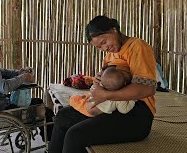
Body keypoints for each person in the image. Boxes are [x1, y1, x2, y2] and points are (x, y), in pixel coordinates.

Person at [49, 15, 157, 153]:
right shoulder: (110, 56)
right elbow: (106, 82)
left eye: (104, 42)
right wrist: (97, 82)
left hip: (136, 115)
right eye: (99, 47)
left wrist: (106, 95)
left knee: (75, 135)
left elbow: (147, 89)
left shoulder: (137, 47)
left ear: (114, 30)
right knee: (63, 117)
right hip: (112, 108)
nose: (104, 48)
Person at [0, 34, 54, 141]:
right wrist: (23, 77)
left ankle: (49, 138)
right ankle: (51, 143)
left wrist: (18, 72)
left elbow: (4, 72)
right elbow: (4, 86)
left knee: (38, 102)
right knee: (46, 111)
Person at [70, 66, 135, 117]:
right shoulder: (120, 98)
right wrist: (133, 100)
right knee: (83, 99)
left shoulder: (101, 86)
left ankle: (75, 99)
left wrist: (96, 84)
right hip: (92, 110)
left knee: (77, 99)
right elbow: (123, 110)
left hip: (89, 109)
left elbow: (92, 89)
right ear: (125, 83)